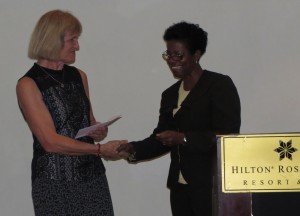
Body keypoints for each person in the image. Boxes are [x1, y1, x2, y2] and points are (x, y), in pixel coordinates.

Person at [117, 21, 241, 216]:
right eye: (169, 54)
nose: (172, 60)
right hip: (180, 189)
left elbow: (228, 135)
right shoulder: (170, 94)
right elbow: (162, 138)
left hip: (210, 186)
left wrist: (183, 138)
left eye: (178, 55)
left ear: (197, 55)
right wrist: (133, 149)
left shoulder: (218, 85)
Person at [16, 10, 126, 215]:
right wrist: (100, 150)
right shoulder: (28, 84)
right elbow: (50, 142)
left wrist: (98, 131)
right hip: (55, 182)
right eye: (72, 40)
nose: (77, 46)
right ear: (52, 40)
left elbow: (89, 121)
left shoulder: (79, 76)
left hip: (92, 176)